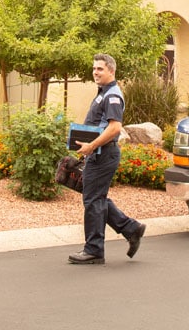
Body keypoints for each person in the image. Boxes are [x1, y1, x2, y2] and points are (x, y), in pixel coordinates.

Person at [69, 53, 146, 265]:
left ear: (111, 71)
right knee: (96, 196)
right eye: (94, 68)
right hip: (98, 153)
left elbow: (114, 128)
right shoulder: (103, 93)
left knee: (93, 199)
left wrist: (91, 146)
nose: (95, 72)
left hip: (104, 154)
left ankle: (94, 250)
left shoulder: (112, 95)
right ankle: (131, 228)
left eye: (100, 69)